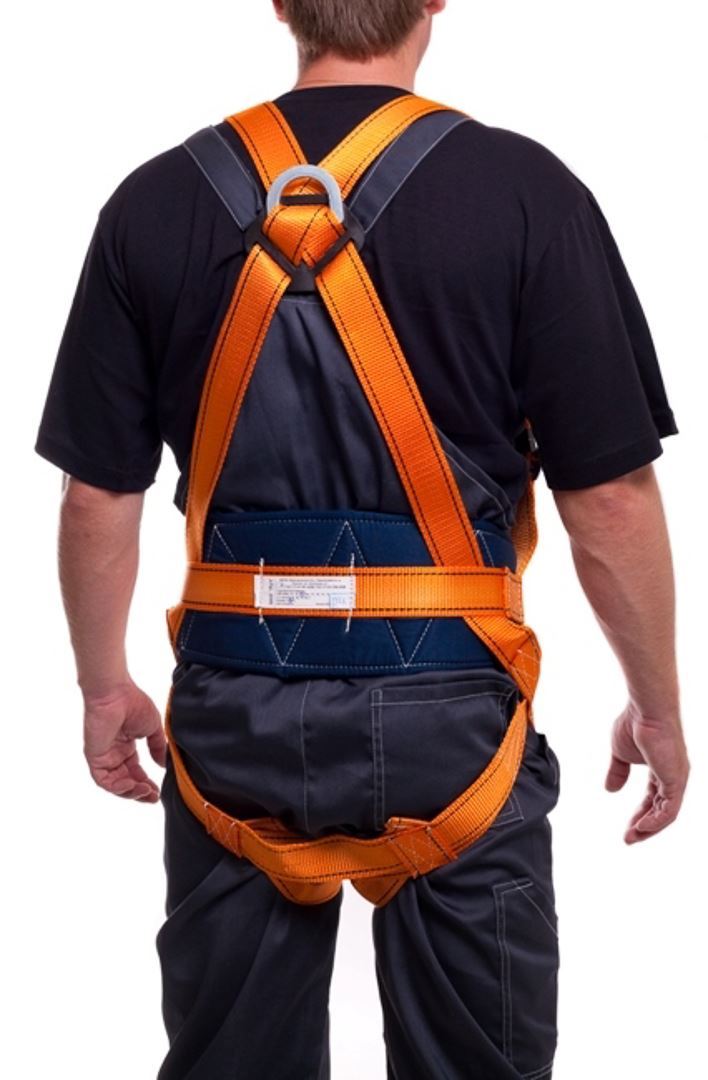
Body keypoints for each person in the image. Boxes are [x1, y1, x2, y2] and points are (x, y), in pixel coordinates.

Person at [33, 1, 689, 1077]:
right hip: (453, 721)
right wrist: (656, 706)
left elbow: (95, 496)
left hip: (233, 714)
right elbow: (610, 494)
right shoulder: (526, 194)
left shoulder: (155, 201)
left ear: (282, 3)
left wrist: (104, 690)